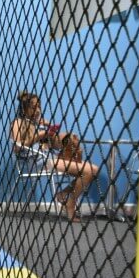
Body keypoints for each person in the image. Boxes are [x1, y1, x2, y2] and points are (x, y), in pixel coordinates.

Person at [10, 91, 99, 222]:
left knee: (92, 170)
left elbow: (53, 146)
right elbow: (17, 147)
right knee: (89, 170)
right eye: (34, 106)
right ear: (25, 108)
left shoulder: (39, 124)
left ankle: (64, 195)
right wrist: (39, 136)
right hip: (35, 162)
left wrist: (59, 137)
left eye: (39, 106)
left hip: (50, 158)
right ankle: (69, 202)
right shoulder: (17, 123)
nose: (38, 110)